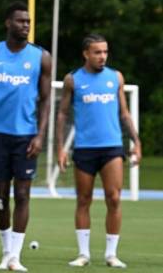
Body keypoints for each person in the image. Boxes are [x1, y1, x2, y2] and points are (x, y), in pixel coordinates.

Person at [0, 2, 52, 272]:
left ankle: (16, 256)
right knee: (1, 196)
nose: (26, 25)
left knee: (24, 193)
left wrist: (41, 135)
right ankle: (6, 251)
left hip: (26, 135)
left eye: (28, 21)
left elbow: (46, 99)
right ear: (8, 23)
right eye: (20, 21)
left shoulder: (41, 57)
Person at [56, 33, 141, 269]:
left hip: (112, 147)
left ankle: (111, 254)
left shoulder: (116, 77)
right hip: (84, 148)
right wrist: (60, 148)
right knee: (83, 200)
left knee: (114, 199)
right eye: (97, 52)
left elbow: (124, 113)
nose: (102, 56)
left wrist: (136, 141)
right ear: (86, 54)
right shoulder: (73, 80)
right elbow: (62, 113)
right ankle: (83, 254)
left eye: (105, 52)